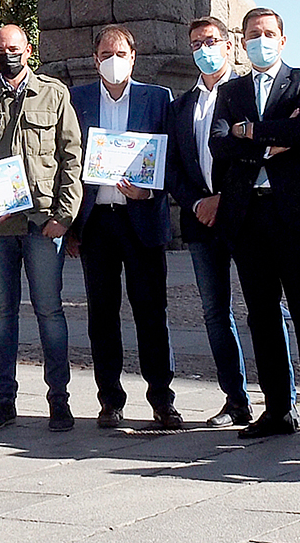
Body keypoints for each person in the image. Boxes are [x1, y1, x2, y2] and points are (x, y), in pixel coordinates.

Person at [209, 6, 300, 445]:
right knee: (261, 315)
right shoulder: (232, 91)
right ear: (242, 43)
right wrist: (270, 137)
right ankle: (278, 408)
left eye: (267, 33)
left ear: (282, 39)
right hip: (248, 214)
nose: (259, 40)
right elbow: (219, 143)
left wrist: (250, 134)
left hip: (295, 215)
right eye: (251, 34)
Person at [0, 23, 82, 432]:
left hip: (42, 222)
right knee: (1, 314)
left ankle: (59, 400)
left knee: (50, 311)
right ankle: (4, 399)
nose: (7, 54)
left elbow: (71, 158)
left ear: (28, 50)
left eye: (13, 48)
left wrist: (64, 216)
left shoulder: (54, 93)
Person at [166, 16, 282, 428]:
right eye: (196, 42)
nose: (204, 49)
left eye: (211, 41)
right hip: (200, 219)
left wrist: (224, 199)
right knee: (215, 312)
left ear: (229, 45)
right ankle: (236, 399)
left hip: (246, 214)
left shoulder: (247, 95)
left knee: (264, 309)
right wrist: (198, 201)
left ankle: (278, 400)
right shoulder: (179, 106)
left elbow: (251, 154)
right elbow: (173, 166)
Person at [72, 25, 180, 430]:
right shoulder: (78, 99)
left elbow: (172, 157)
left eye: (120, 53)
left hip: (142, 219)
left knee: (152, 312)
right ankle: (110, 400)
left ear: (133, 57)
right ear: (95, 59)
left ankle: (162, 399)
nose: (113, 60)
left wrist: (149, 193)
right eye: (105, 53)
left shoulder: (157, 98)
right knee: (102, 314)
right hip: (97, 221)